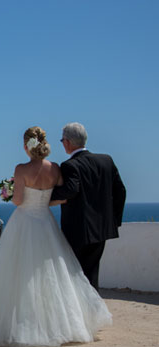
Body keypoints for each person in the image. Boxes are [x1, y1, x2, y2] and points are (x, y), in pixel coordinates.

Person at [0, 126, 112, 347]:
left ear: (26, 146)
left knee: (20, 274)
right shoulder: (55, 168)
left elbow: (17, 201)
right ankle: (65, 324)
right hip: (46, 221)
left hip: (25, 221)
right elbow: (61, 199)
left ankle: (24, 324)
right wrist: (42, 199)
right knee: (54, 274)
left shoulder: (21, 169)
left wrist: (9, 192)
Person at [51, 122, 127, 290]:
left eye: (62, 140)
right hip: (102, 229)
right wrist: (114, 220)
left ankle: (83, 313)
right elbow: (121, 190)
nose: (62, 144)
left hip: (78, 230)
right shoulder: (106, 160)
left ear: (68, 142)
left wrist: (44, 194)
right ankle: (94, 310)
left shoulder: (70, 165)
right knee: (92, 273)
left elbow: (70, 190)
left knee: (76, 274)